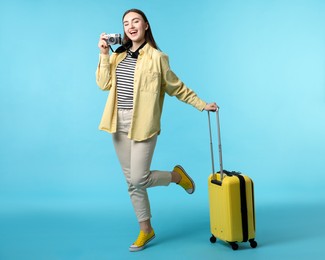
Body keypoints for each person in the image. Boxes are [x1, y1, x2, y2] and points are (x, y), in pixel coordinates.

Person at [96, 8, 218, 252]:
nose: (131, 26)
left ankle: (176, 177)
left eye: (136, 21)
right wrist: (103, 55)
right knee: (131, 182)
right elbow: (103, 84)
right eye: (126, 23)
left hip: (143, 123)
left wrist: (201, 104)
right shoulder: (117, 56)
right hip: (116, 123)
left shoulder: (157, 58)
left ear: (146, 26)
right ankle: (146, 229)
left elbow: (177, 87)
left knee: (138, 178)